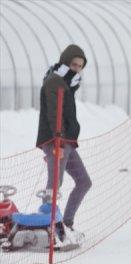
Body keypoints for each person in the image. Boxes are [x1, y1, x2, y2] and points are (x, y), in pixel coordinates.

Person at [35, 44, 91, 242]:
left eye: (80, 66)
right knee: (54, 185)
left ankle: (66, 224)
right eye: (74, 64)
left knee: (84, 181)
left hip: (67, 140)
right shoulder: (55, 81)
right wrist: (56, 140)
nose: (77, 69)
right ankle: (46, 227)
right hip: (57, 139)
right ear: (66, 62)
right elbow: (53, 112)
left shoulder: (67, 82)